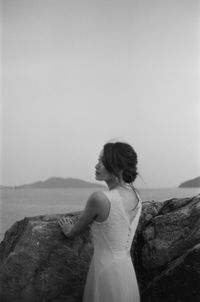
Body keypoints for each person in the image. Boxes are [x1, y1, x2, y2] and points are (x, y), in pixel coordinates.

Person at [58, 141, 142, 302]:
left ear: (117, 168)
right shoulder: (137, 198)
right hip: (126, 270)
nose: (96, 166)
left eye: (102, 161)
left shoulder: (100, 199)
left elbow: (72, 232)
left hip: (105, 270)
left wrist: (67, 228)